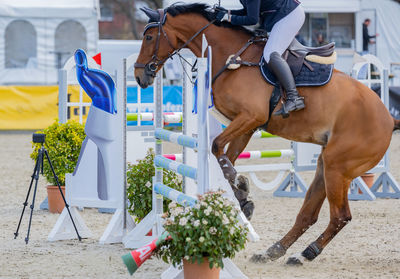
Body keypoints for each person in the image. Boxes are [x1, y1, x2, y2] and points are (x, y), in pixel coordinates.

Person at [216, 0, 306, 116]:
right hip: (284, 14)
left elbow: (252, 19)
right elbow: (249, 11)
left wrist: (228, 18)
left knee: (270, 54)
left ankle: (294, 97)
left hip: (289, 15)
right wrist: (228, 12)